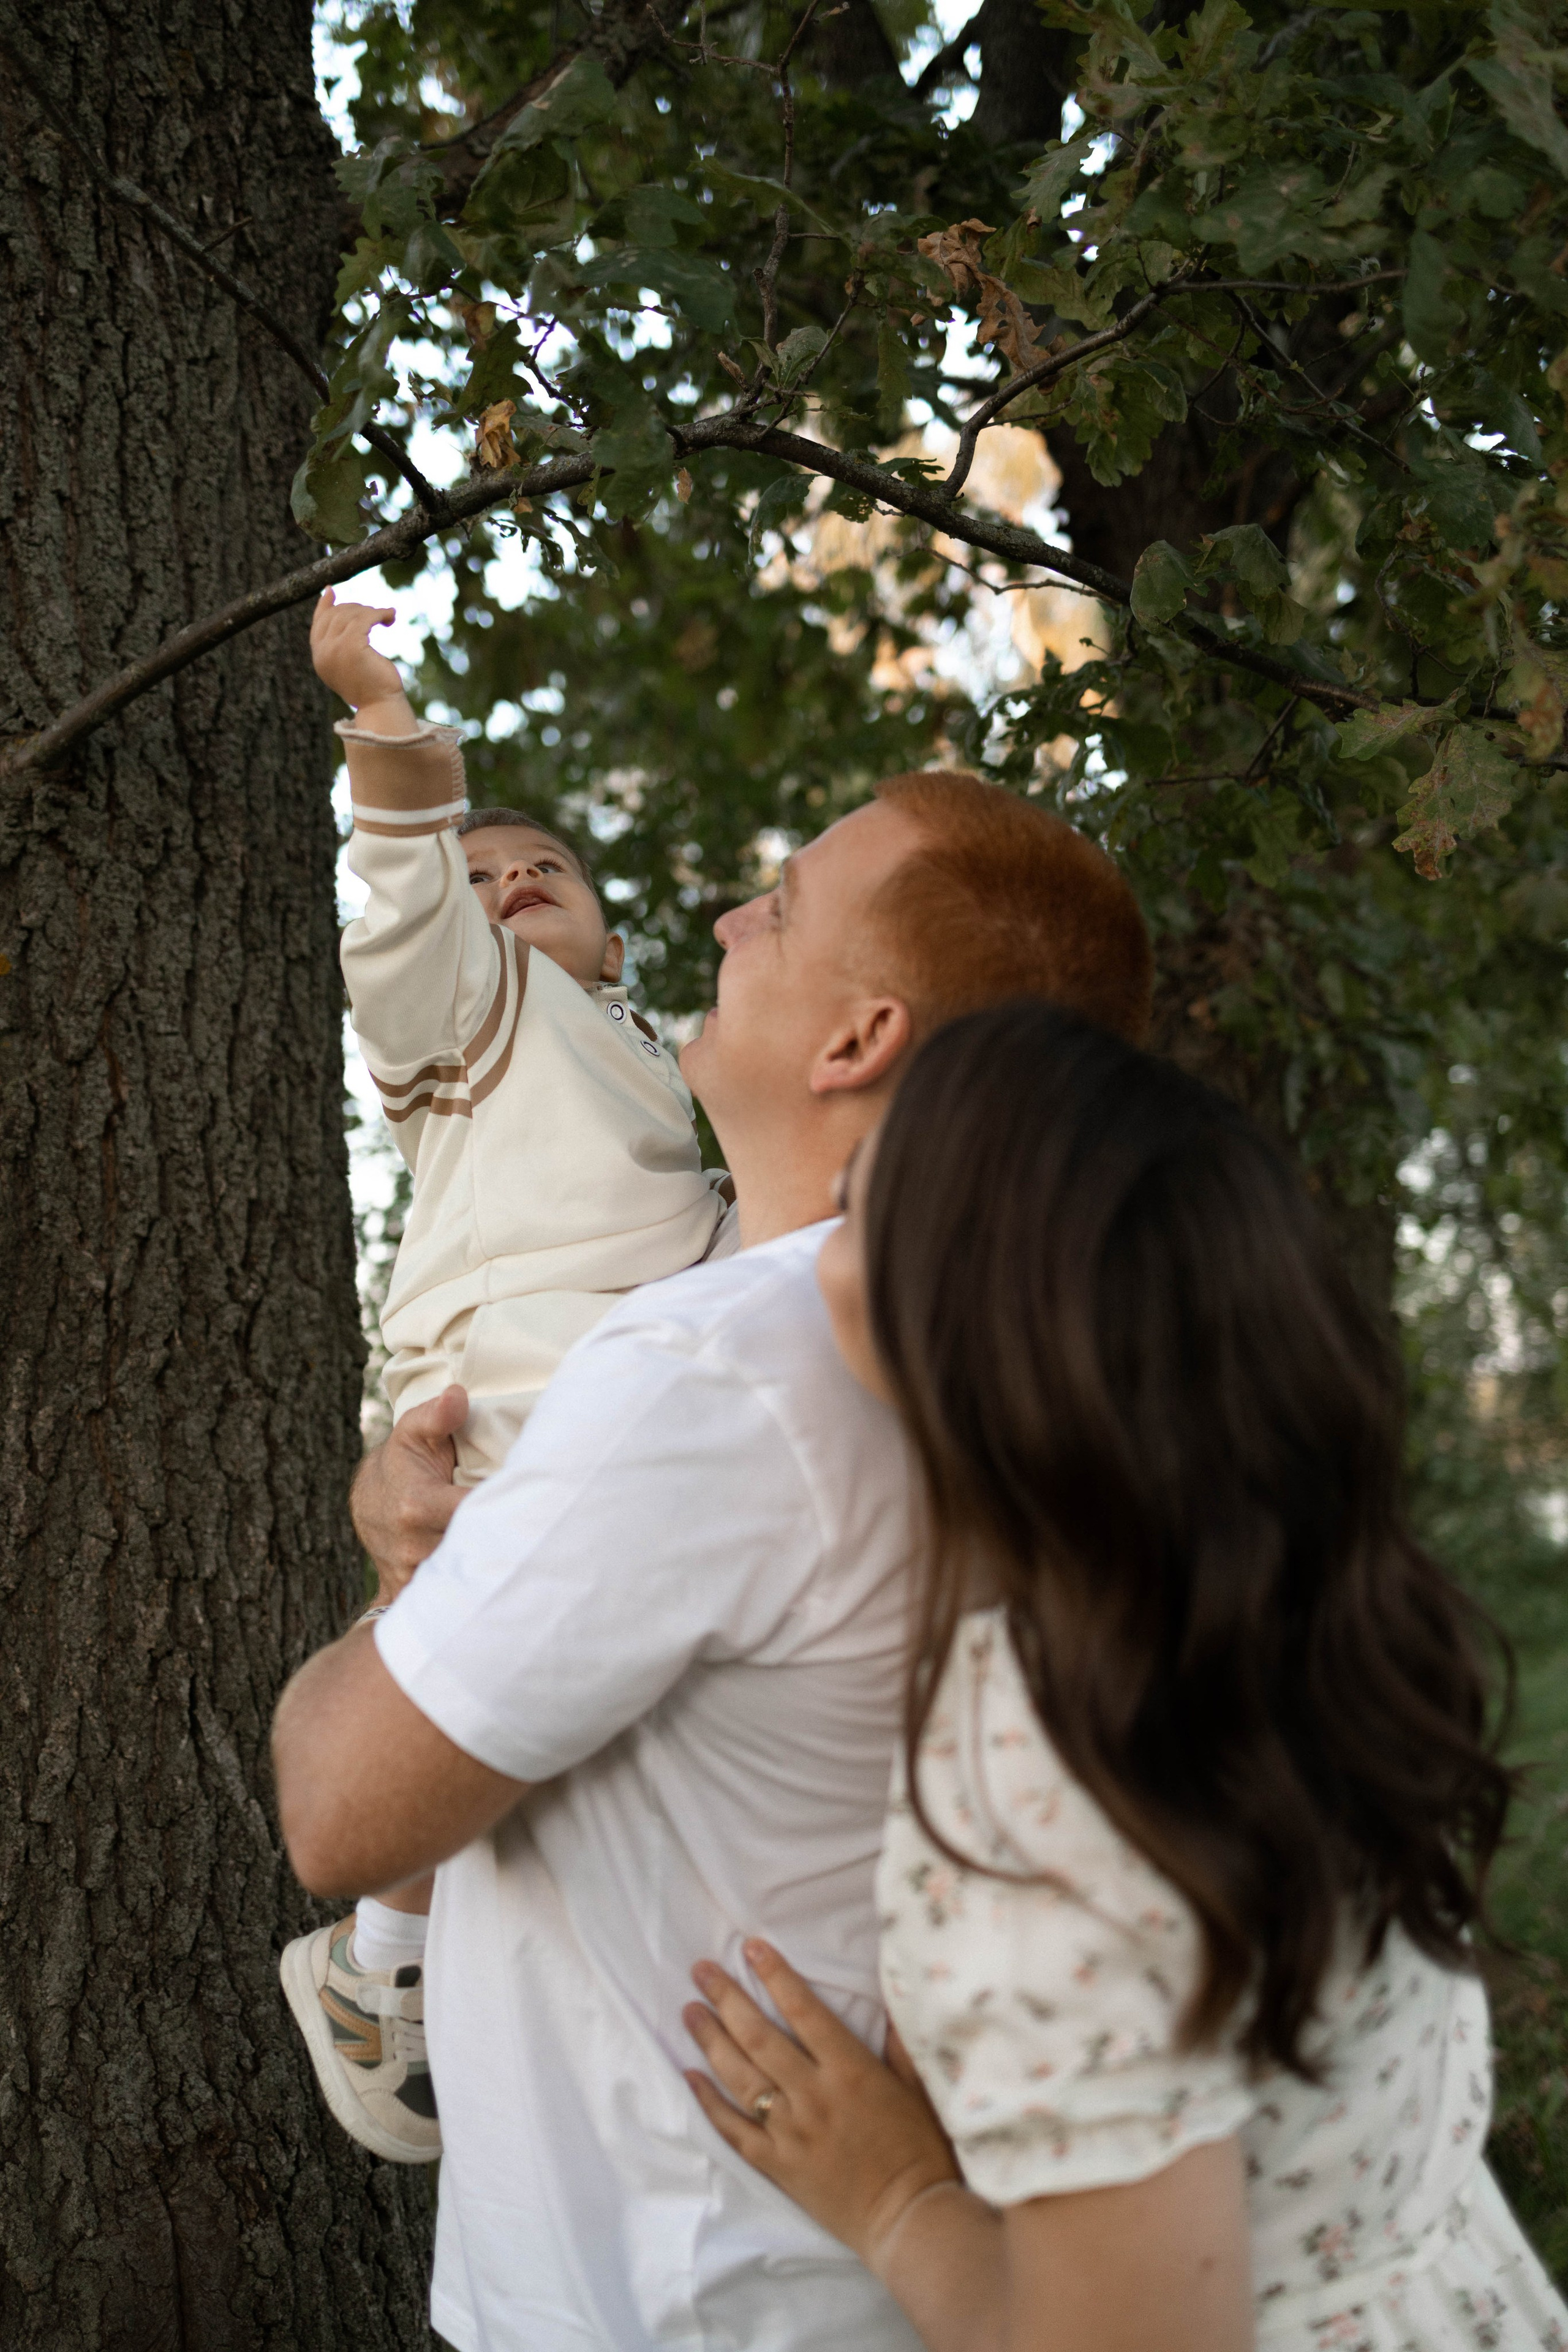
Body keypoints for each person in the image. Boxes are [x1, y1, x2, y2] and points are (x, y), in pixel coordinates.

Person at [271, 775, 1153, 2351]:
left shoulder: (713, 1371)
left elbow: (341, 1807)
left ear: (854, 1043)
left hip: (672, 2298)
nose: (728, 920)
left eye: (783, 904)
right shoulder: (1004, 1366)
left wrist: (398, 1569)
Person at [683, 1001, 1568, 2352]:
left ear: (979, 1317)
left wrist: (899, 2198)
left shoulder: (1051, 1766)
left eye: (869, 1199)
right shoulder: (1288, 1585)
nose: (835, 1197)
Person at [280, 592, 730, 2166]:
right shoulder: (472, 1010)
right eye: (488, 875)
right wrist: (381, 712)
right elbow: (402, 902)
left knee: (572, 1707)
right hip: (510, 1372)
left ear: (613, 928)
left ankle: (434, 1960)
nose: (514, 879)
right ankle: (374, 1963)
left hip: (641, 1386)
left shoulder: (662, 1058)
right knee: (481, 1656)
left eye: (548, 868)